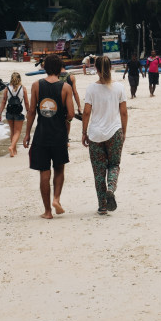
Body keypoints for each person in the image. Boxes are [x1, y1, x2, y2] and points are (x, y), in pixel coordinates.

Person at [23, 54, 74, 219]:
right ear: (60, 69)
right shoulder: (66, 87)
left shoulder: (36, 85)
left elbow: (31, 111)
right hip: (59, 135)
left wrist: (27, 134)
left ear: (45, 68)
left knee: (44, 172)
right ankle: (57, 199)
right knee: (59, 169)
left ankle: (47, 212)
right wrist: (64, 123)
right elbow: (71, 114)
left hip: (42, 135)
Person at [82, 56, 128, 215]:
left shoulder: (91, 89)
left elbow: (86, 112)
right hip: (115, 132)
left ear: (96, 68)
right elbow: (123, 113)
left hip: (95, 135)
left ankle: (102, 205)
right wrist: (124, 131)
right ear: (111, 67)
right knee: (114, 165)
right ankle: (111, 188)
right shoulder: (119, 88)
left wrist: (84, 132)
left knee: (98, 171)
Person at [0, 72, 28, 157]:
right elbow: (26, 102)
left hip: (9, 112)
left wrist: (0, 113)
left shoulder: (7, 89)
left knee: (12, 131)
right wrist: (28, 112)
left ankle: (14, 150)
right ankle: (12, 147)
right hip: (20, 112)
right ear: (20, 79)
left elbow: (4, 101)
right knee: (17, 131)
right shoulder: (23, 88)